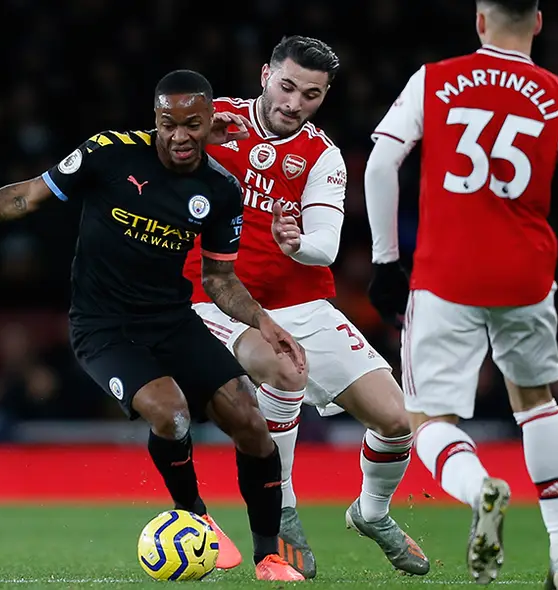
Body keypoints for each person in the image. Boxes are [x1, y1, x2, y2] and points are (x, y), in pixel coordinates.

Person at [0, 69, 307, 583]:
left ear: (209, 122)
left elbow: (218, 278)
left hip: (171, 320)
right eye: (167, 123)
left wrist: (262, 320)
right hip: (102, 327)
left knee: (250, 420)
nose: (178, 135)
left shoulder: (219, 189)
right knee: (170, 414)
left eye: (191, 124)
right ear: (155, 119)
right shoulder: (110, 153)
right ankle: (197, 518)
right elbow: (27, 196)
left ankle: (269, 557)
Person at [363, 2, 558, 588]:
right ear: (538, 22)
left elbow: (381, 164)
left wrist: (384, 262)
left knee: (428, 419)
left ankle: (480, 490)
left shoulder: (434, 79)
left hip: (445, 274)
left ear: (479, 22)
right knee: (537, 403)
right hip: (526, 276)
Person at [182, 36, 430, 579]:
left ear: (324, 97)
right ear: (265, 74)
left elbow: (328, 244)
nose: (294, 103)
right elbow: (143, 159)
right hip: (213, 300)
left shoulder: (322, 156)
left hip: (299, 302)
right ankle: (284, 509)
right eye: (287, 86)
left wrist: (297, 244)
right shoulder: (210, 119)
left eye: (310, 94)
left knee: (395, 420)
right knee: (283, 369)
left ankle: (371, 512)